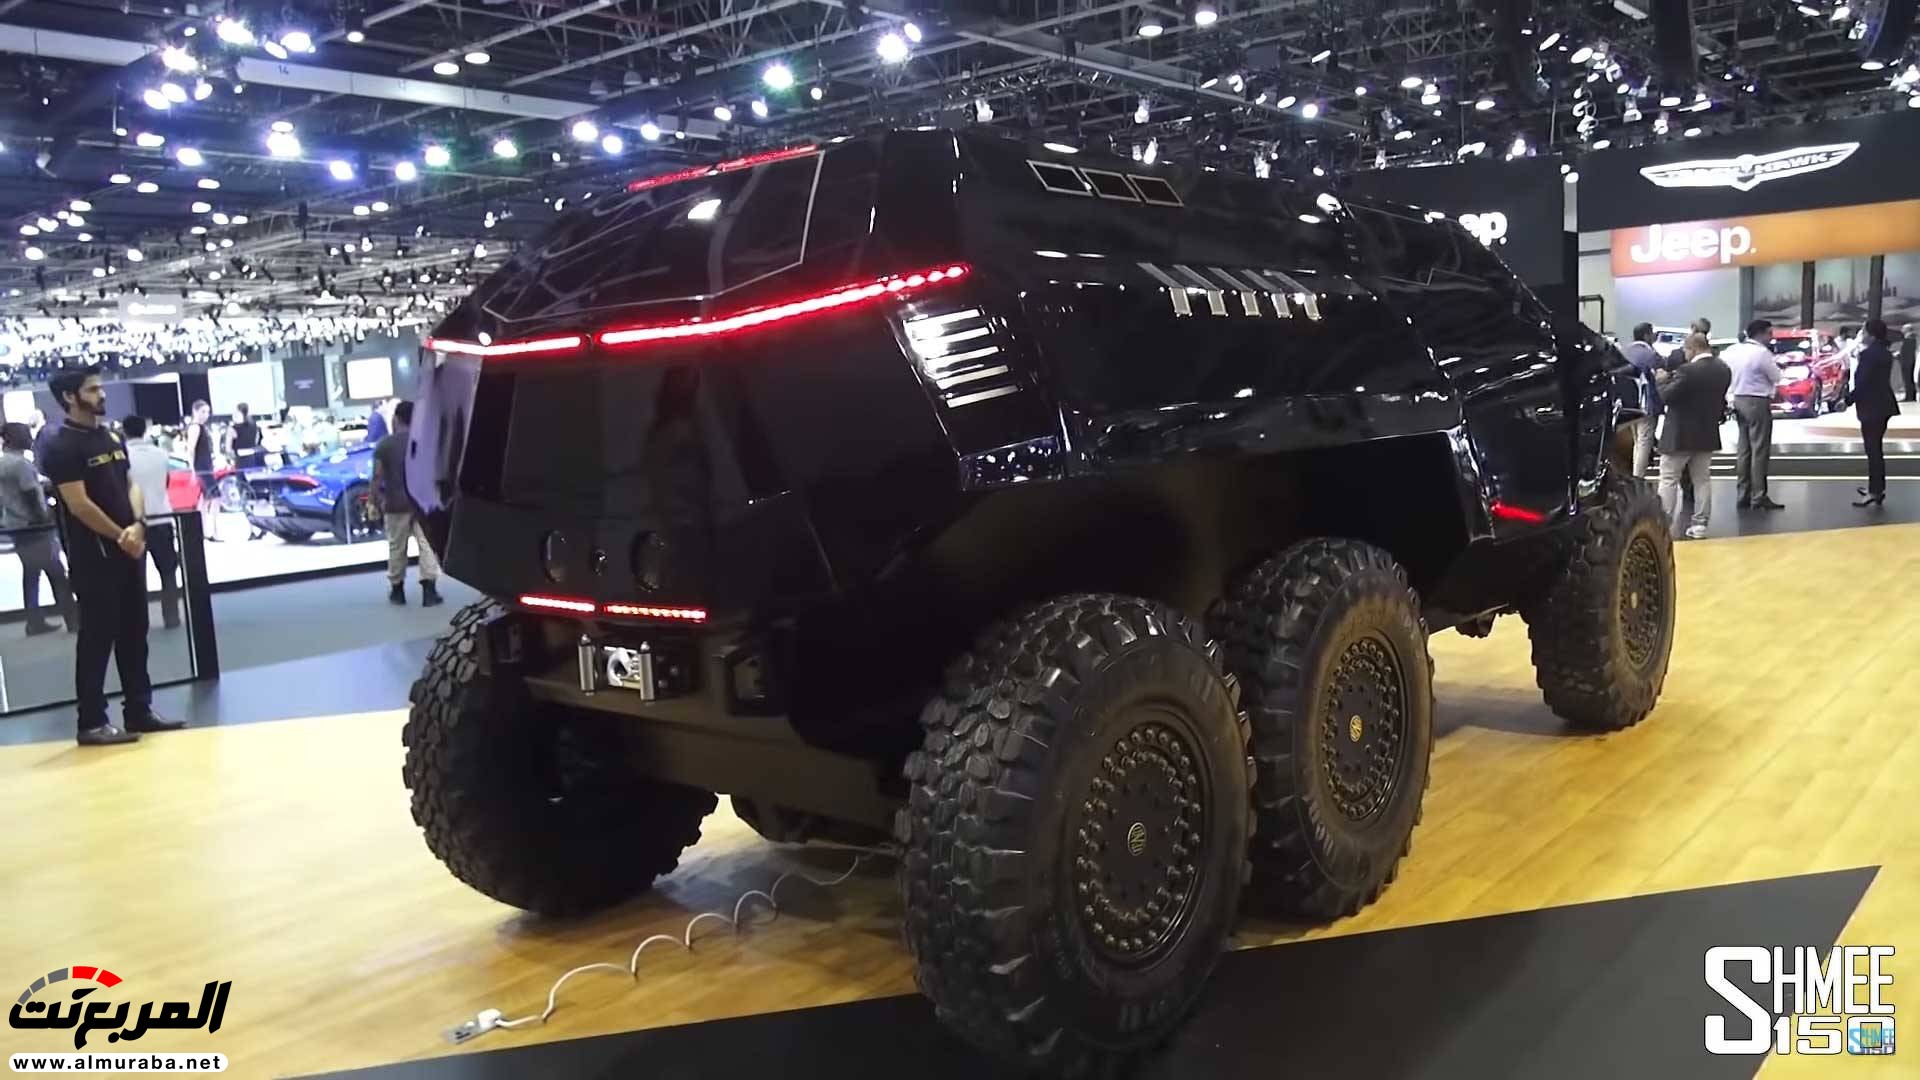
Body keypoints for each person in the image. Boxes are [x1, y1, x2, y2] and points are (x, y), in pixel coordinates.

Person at [39, 366, 183, 745]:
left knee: (135, 632)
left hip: (129, 548)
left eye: (100, 388)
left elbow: (130, 483)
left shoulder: (111, 437)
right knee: (97, 639)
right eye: (92, 389)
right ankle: (91, 722)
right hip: (94, 557)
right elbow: (79, 504)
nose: (101, 394)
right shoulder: (61, 444)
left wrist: (138, 524)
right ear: (70, 397)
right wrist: (121, 534)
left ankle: (138, 710)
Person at [2, 421, 77, 635]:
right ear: (13, 438)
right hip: (34, 527)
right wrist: (43, 517)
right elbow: (29, 494)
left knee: (31, 574)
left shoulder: (4, 462)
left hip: (16, 525)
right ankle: (73, 620)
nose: (30, 438)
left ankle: (34, 620)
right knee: (57, 574)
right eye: (25, 434)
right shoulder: (21, 465)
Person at [1656, 333, 1732, 540]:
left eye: (1686, 350)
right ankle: (1700, 524)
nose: (1685, 354)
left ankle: (1663, 524)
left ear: (1693, 348)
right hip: (1707, 432)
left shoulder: (1687, 371)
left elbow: (1667, 396)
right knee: (1702, 480)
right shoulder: (1723, 369)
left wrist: (1661, 381)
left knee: (1669, 478)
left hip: (1679, 434)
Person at [371, 401, 443, 607]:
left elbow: (377, 476)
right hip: (423, 504)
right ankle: (429, 591)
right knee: (426, 545)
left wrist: (374, 500)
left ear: (396, 419)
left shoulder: (385, 445)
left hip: (395, 504)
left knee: (397, 547)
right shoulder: (425, 443)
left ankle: (397, 590)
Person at [122, 415, 183, 629]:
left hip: (134, 521)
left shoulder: (122, 456)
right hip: (162, 516)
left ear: (124, 432)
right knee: (168, 572)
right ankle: (172, 616)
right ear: (144, 430)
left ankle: (139, 621)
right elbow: (165, 482)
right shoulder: (161, 454)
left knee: (136, 576)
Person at [1723, 319, 1785, 511]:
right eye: (1769, 333)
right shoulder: (1762, 353)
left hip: (1737, 399)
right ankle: (1758, 496)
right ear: (1761, 333)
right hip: (1757, 400)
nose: (1771, 337)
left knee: (1744, 450)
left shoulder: (1732, 351)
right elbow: (1777, 377)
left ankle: (1743, 494)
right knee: (1759, 449)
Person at [1851, 319, 1900, 508]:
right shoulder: (1884, 352)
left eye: (1863, 332)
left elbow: (1863, 382)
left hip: (1872, 407)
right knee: (1875, 449)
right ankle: (1876, 488)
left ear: (1871, 335)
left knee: (1873, 450)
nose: (1861, 335)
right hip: (1883, 405)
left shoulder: (1868, 354)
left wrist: (1847, 400)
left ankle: (1875, 491)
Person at [1622, 323, 1664, 478]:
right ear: (1646, 335)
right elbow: (1661, 371)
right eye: (1652, 334)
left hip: (1628, 405)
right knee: (1644, 441)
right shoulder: (1649, 354)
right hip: (1647, 405)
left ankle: (1634, 474)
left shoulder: (1624, 351)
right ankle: (1638, 477)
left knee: (1636, 441)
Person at [183, 399, 220, 541]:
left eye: (208, 412)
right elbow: (191, 450)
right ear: (195, 411)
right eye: (203, 412)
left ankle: (204, 531)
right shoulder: (195, 427)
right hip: (202, 468)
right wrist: (193, 470)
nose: (206, 415)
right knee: (215, 497)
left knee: (204, 500)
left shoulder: (201, 427)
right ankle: (213, 531)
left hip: (206, 466)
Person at [1899, 324, 1917, 404]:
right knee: (1908, 379)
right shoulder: (1909, 339)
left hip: (1907, 362)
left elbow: (1907, 352)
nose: (1901, 330)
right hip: (1907, 362)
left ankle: (1909, 396)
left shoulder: (1909, 339)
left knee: (1908, 379)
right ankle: (1910, 395)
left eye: (1903, 328)